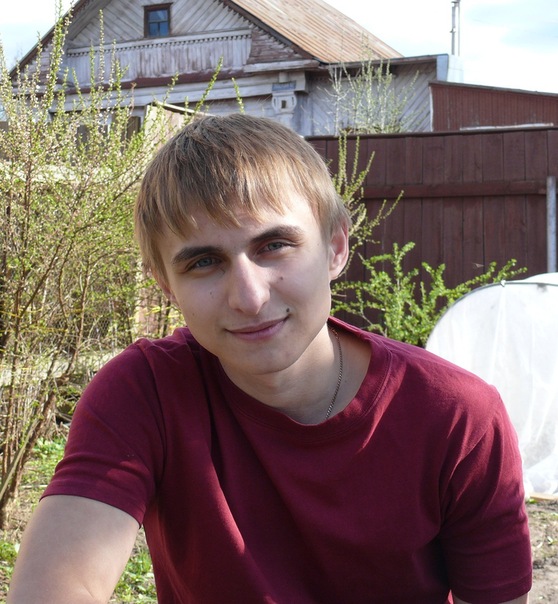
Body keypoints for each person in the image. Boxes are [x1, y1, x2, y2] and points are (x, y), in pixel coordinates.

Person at [8, 114, 531, 604]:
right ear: (166, 285)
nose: (249, 297)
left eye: (274, 245)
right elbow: (57, 586)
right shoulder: (146, 393)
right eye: (204, 262)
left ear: (335, 248)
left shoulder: (457, 415)